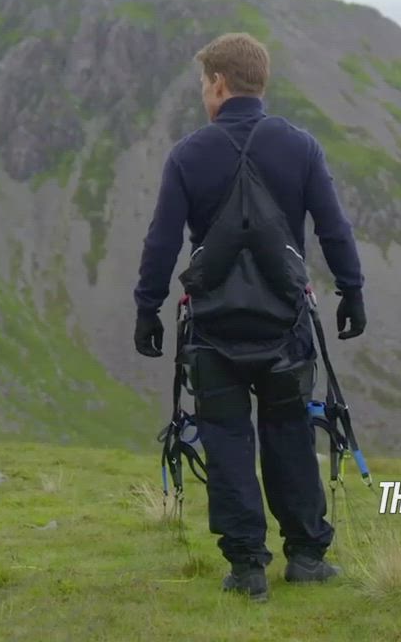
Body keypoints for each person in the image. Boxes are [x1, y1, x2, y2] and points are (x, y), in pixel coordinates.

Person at [132, 32, 367, 601]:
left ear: (218, 83)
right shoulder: (300, 147)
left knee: (227, 439)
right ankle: (306, 557)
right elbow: (333, 228)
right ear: (260, 82)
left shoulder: (189, 154)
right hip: (285, 324)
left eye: (203, 84)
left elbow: (162, 240)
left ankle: (246, 569)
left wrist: (147, 307)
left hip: (213, 329)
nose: (202, 94)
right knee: (289, 432)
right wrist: (352, 291)